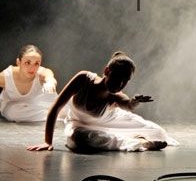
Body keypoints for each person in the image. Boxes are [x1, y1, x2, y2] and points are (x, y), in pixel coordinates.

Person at [27, 51, 178, 152]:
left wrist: (135, 101)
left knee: (158, 132)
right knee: (78, 140)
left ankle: (138, 138)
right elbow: (55, 108)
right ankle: (138, 142)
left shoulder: (115, 95)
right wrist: (48, 142)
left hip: (113, 121)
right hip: (79, 124)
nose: (120, 84)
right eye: (117, 78)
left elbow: (128, 104)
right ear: (107, 71)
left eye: (125, 80)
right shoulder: (83, 79)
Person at [0, 44, 57, 122]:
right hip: (16, 108)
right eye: (27, 63)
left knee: (66, 104)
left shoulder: (40, 73)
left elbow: (48, 74)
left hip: (39, 103)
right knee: (12, 113)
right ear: (18, 62)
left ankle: (55, 113)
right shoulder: (7, 76)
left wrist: (50, 82)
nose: (32, 68)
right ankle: (55, 115)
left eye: (36, 63)